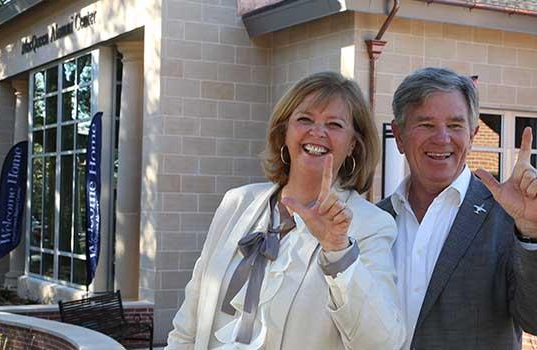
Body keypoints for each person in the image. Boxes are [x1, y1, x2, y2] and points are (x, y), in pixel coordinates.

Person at [167, 71, 406, 350]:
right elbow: (188, 325)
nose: (317, 132)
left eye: (334, 124)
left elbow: (383, 343)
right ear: (284, 132)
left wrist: (338, 252)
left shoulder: (372, 225)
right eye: (304, 119)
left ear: (354, 143)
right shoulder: (235, 204)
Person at [378, 67, 537, 349]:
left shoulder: (510, 219)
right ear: (398, 135)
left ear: (472, 135)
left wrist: (534, 230)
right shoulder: (374, 222)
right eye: (426, 124)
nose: (442, 138)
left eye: (455, 125)